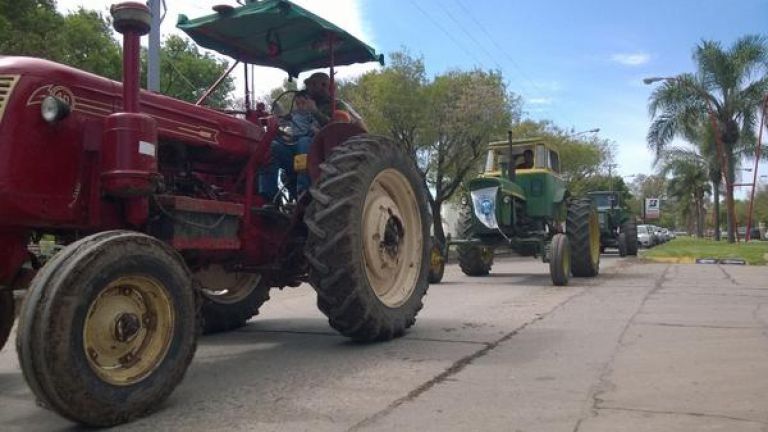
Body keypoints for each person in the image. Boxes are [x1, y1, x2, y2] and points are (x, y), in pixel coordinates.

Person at [259, 91, 320, 201]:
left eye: (303, 103)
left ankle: (303, 189)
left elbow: (317, 129)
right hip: (292, 143)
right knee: (271, 145)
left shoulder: (312, 115)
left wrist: (313, 128)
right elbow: (283, 125)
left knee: (303, 142)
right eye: (298, 104)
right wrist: (279, 124)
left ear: (310, 103)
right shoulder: (293, 115)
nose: (300, 106)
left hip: (307, 143)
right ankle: (268, 194)